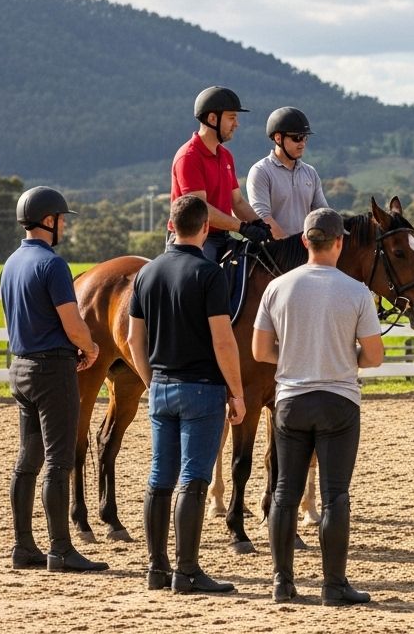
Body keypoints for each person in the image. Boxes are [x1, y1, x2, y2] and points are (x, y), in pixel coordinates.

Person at [253, 208, 384, 606]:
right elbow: (374, 356)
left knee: (284, 493)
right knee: (335, 495)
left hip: (291, 401)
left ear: (305, 241)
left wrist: (298, 355)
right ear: (340, 242)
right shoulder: (356, 292)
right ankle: (333, 585)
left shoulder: (277, 287)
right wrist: (341, 357)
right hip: (338, 401)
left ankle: (282, 582)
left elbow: (260, 351)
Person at [128, 195, 247, 594]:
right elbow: (223, 341)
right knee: (193, 479)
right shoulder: (209, 273)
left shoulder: (146, 273)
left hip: (161, 387)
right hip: (202, 388)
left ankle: (156, 568)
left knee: (159, 478)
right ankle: (188, 570)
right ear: (205, 228)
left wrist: (151, 382)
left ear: (170, 226)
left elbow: (134, 339)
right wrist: (236, 392)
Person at [0, 186, 108, 573]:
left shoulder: (11, 263)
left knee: (27, 460)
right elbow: (72, 323)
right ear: (48, 220)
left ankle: (23, 546)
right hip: (52, 372)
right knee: (59, 462)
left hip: (21, 368)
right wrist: (90, 348)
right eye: (61, 219)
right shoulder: (53, 264)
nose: (64, 226)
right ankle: (60, 549)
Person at [171, 85, 273, 262]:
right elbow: (200, 210)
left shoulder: (225, 155)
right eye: (232, 118)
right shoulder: (189, 157)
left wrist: (259, 223)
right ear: (212, 118)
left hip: (222, 236)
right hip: (193, 239)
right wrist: (242, 228)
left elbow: (237, 202)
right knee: (207, 275)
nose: (236, 124)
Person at [246, 106, 329, 240]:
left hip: (305, 248)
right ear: (278, 138)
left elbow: (323, 213)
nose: (302, 144)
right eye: (297, 138)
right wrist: (291, 246)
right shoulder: (260, 171)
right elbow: (263, 216)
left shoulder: (310, 173)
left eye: (305, 138)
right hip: (274, 248)